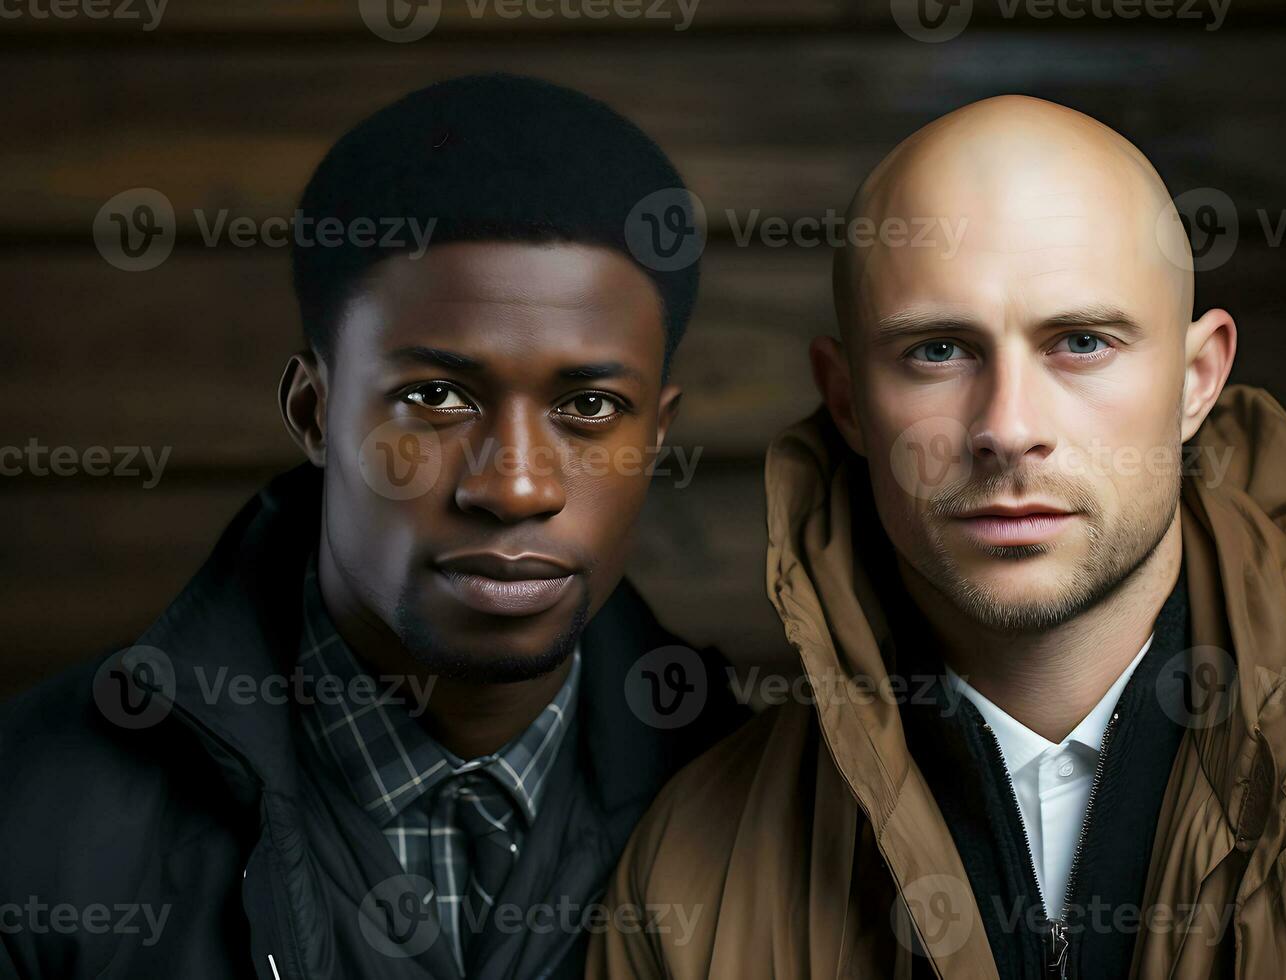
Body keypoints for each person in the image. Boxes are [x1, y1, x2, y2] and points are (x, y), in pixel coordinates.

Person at [592, 95, 1286, 979]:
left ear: (1197, 380)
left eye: (1082, 341)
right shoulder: (686, 880)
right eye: (938, 351)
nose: (1008, 429)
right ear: (849, 399)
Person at [0, 73, 742, 980]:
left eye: (589, 405)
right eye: (434, 398)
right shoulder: (31, 815)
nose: (512, 486)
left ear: (657, 436)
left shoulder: (767, 804)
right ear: (314, 411)